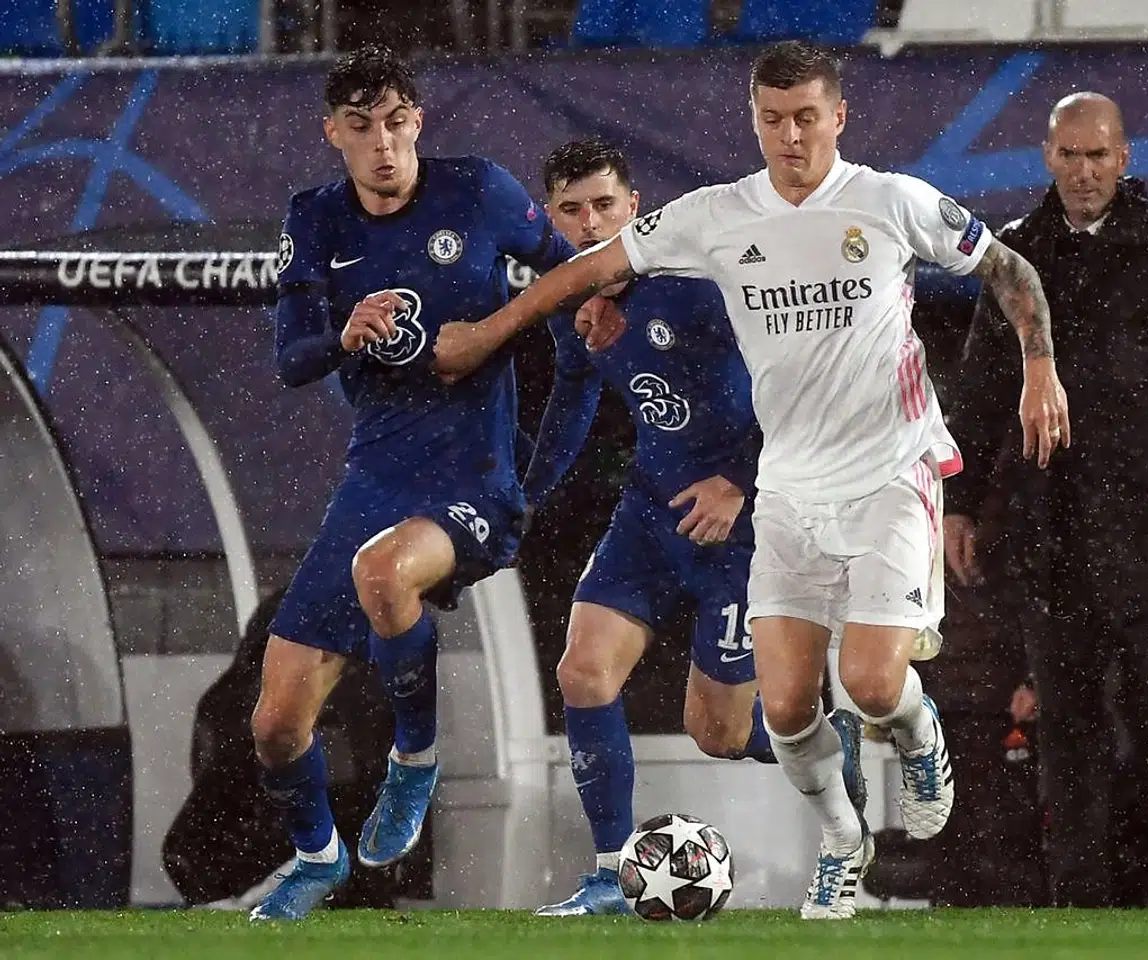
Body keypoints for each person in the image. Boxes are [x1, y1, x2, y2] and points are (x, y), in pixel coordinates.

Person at [433, 42, 1068, 919]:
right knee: (783, 710)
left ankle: (921, 741)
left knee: (875, 684)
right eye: (773, 120)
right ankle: (844, 847)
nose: (791, 136)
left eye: (807, 117)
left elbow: (1009, 267)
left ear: (837, 117)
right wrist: (486, 333)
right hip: (790, 494)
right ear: (755, 122)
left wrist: (1041, 366)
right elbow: (590, 268)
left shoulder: (890, 201)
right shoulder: (721, 215)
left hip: (890, 471)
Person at [250, 43, 575, 921]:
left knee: (384, 573)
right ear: (334, 134)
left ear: (418, 121)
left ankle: (416, 761)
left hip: (475, 474)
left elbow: (573, 270)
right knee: (276, 728)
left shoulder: (477, 190)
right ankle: (317, 857)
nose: (383, 145)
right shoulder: (315, 218)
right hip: (376, 475)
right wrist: (343, 333)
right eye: (362, 128)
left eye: (397, 122)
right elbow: (289, 361)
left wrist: (491, 331)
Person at [524, 138, 861, 916]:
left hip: (743, 534)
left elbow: (797, 387)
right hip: (650, 514)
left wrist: (738, 483)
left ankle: (826, 743)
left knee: (714, 730)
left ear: (636, 207)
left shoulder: (702, 284)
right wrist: (528, 495)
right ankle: (610, 874)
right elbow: (573, 399)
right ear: (552, 218)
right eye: (572, 210)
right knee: (582, 672)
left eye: (605, 204)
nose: (589, 222)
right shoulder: (573, 300)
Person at [944, 92, 1148, 907]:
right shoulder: (1012, 259)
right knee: (1069, 739)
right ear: (1046, 157)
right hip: (1054, 533)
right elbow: (979, 394)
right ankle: (1078, 909)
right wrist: (958, 504)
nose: (1083, 172)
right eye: (1069, 155)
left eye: (1098, 156)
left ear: (1126, 158)